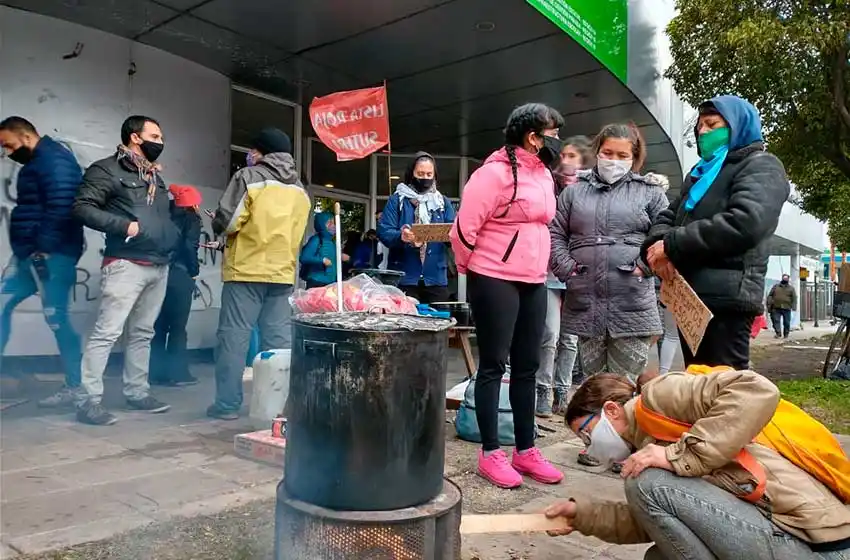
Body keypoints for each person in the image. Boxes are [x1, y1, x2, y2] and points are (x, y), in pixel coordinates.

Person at [545, 370, 850, 559]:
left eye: (587, 434)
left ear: (611, 410)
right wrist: (582, 515)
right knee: (659, 556)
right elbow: (653, 520)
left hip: (816, 543)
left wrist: (676, 456)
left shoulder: (656, 400)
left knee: (646, 484)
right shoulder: (648, 442)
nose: (590, 447)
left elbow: (756, 390)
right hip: (782, 534)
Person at [449, 103, 565, 489]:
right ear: (533, 137)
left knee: (528, 366)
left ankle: (526, 449)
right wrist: (475, 271)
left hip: (534, 279)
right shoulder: (492, 174)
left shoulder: (545, 175)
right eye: (551, 134)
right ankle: (490, 452)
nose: (556, 141)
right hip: (494, 276)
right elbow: (464, 230)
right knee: (493, 366)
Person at [642, 95, 790, 370]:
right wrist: (658, 244)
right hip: (690, 298)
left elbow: (745, 223)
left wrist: (672, 243)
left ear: (738, 126)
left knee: (724, 392)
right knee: (697, 387)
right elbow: (668, 215)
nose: (703, 132)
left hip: (726, 301)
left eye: (712, 124)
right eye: (699, 126)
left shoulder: (761, 165)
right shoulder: (700, 174)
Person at [72, 115, 178, 425]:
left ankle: (137, 392)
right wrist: (126, 227)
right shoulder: (106, 169)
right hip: (125, 263)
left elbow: (160, 217)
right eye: (155, 135)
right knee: (107, 333)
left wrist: (174, 235)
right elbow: (81, 206)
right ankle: (87, 400)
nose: (160, 142)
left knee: (143, 333)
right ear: (135, 137)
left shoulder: (154, 176)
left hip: (159, 263)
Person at [207, 127, 311, 420]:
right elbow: (300, 234)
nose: (249, 155)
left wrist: (218, 224)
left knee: (234, 337)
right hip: (282, 274)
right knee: (278, 342)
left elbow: (228, 221)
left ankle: (227, 405)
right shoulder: (300, 188)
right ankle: (276, 407)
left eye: (252, 150)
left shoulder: (248, 178)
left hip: (246, 270)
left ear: (261, 152)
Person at [549, 124, 667, 380]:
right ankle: (595, 421)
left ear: (634, 158)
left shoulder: (651, 192)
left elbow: (665, 235)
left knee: (623, 387)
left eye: (622, 155)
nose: (613, 160)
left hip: (632, 301)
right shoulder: (573, 192)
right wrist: (567, 267)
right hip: (585, 299)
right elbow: (555, 233)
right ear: (598, 152)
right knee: (594, 386)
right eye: (608, 152)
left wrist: (644, 266)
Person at [0, 117, 85, 406]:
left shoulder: (56, 160)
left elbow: (63, 205)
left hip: (50, 256)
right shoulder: (37, 162)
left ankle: (76, 386)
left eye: (8, 145)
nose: (7, 153)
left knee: (57, 319)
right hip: (28, 255)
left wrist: (43, 248)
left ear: (25, 137)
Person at [536, 136, 593, 418]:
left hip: (578, 273)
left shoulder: (591, 190)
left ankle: (562, 390)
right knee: (550, 334)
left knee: (570, 339)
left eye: (572, 156)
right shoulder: (549, 185)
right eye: (564, 155)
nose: (566, 160)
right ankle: (542, 390)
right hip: (549, 270)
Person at [378, 152, 455, 304]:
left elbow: (455, 231)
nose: (425, 178)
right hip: (405, 277)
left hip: (435, 278)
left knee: (438, 322)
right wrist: (401, 236)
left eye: (429, 174)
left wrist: (450, 236)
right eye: (420, 173)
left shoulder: (442, 202)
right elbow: (384, 231)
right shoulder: (397, 200)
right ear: (411, 173)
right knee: (405, 323)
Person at [149, 185, 203, 387]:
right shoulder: (192, 219)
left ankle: (154, 373)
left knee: (159, 325)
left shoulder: (162, 214)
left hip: (159, 272)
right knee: (178, 327)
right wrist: (194, 271)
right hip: (180, 275)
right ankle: (178, 373)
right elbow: (190, 247)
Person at [643, 173, 680, 376]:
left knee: (665, 332)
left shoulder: (665, 214)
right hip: (651, 280)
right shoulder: (654, 213)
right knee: (658, 332)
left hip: (663, 280)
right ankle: (647, 369)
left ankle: (661, 374)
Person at [299, 212, 344, 289]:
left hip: (330, 282)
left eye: (333, 223)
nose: (333, 225)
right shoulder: (316, 240)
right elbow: (304, 257)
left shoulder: (332, 242)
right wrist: (322, 260)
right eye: (329, 222)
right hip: (316, 282)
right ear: (321, 224)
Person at [767, 274, 796, 339]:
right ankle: (778, 333)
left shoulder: (791, 288)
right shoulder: (776, 287)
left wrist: (794, 307)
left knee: (786, 322)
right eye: (784, 278)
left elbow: (794, 298)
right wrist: (770, 303)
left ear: (788, 279)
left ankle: (786, 334)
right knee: (776, 320)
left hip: (787, 307)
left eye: (786, 278)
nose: (785, 279)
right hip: (776, 307)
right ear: (782, 278)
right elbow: (770, 295)